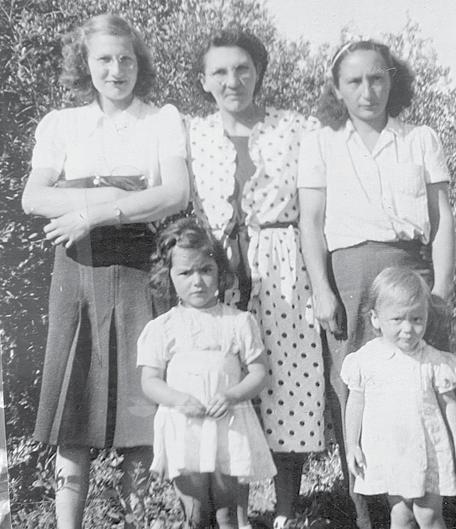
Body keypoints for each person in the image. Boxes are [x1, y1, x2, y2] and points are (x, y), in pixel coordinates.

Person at [21, 14, 189, 529]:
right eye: (104, 59)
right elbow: (34, 197)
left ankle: (137, 519)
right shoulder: (61, 123)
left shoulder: (161, 119)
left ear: (140, 62)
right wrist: (118, 196)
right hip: (77, 267)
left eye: (126, 59)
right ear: (85, 63)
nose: (116, 71)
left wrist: (93, 212)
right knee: (74, 408)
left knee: (140, 408)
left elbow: (174, 194)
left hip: (141, 264)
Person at [298, 40, 456, 529]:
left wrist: (441, 292)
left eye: (377, 78)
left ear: (392, 80)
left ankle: (426, 507)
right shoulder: (320, 142)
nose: (367, 91)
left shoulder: (421, 139)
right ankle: (371, 514)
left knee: (419, 387)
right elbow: (311, 222)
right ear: (337, 89)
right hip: (349, 278)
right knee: (357, 392)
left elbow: (442, 221)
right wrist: (322, 289)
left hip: (412, 277)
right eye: (354, 81)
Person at [188, 27, 327, 528]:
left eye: (243, 68)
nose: (233, 80)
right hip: (220, 268)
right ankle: (238, 513)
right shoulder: (192, 133)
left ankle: (286, 511)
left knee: (291, 382)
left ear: (259, 72)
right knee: (228, 381)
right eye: (220, 71)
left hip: (286, 267)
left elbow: (315, 210)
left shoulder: (298, 128)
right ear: (204, 80)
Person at [137, 217, 276, 529]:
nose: (197, 281)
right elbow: (150, 381)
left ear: (220, 271)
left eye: (205, 270)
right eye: (185, 273)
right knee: (196, 512)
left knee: (228, 513)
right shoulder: (162, 328)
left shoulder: (238, 322)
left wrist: (231, 395)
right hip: (184, 425)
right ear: (168, 275)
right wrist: (177, 399)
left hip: (229, 424)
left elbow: (258, 373)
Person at [341, 266, 456, 529]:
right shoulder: (366, 360)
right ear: (376, 319)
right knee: (402, 515)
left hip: (427, 450)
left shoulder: (433, 360)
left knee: (428, 514)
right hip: (391, 450)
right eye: (397, 319)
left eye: (416, 319)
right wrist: (352, 444)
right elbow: (356, 402)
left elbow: (449, 403)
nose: (408, 328)